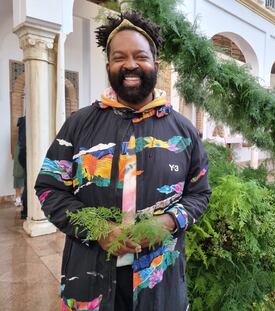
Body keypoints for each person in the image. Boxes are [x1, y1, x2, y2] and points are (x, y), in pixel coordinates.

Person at [35, 11, 211, 311]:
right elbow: (49, 189)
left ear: (155, 64)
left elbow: (199, 194)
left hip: (159, 278)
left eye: (140, 56)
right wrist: (99, 230)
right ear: (108, 66)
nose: (130, 64)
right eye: (119, 57)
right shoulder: (79, 125)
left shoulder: (183, 132)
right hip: (90, 278)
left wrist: (168, 221)